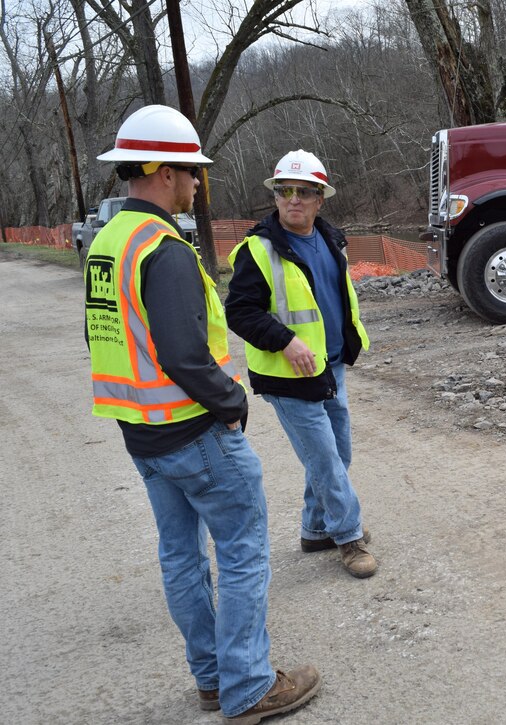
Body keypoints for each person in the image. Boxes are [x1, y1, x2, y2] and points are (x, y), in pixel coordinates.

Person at [84, 105, 320, 724]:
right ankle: (247, 687)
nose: (195, 184)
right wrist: (233, 401)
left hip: (142, 436)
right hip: (196, 433)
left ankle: (215, 679)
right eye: (191, 172)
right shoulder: (163, 249)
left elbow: (107, 337)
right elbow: (185, 353)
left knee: (180, 556)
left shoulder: (107, 243)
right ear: (163, 171)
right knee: (242, 552)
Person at [225, 150, 375, 579]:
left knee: (335, 452)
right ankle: (348, 538)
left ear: (319, 199)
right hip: (287, 376)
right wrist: (286, 342)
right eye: (285, 191)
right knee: (326, 458)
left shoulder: (331, 239)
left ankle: (315, 530)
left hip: (329, 367)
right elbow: (240, 311)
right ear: (275, 196)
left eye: (304, 193)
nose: (294, 199)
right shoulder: (257, 250)